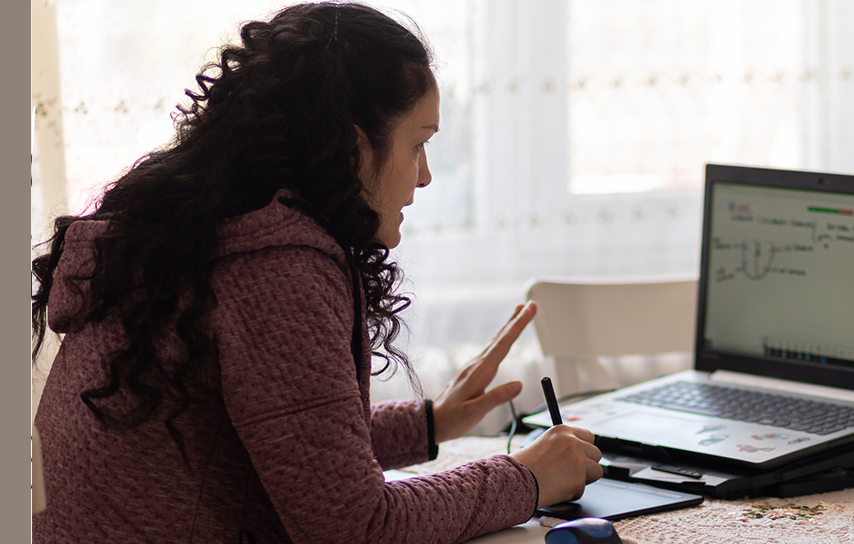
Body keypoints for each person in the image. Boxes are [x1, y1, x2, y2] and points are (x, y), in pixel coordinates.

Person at [30, 3, 603, 542]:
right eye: (418, 144)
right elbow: (355, 528)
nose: (424, 176)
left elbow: (280, 441)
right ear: (354, 149)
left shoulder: (200, 234)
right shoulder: (271, 268)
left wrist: (431, 423)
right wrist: (525, 478)